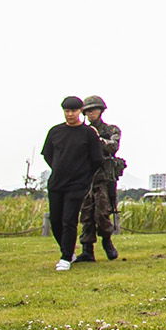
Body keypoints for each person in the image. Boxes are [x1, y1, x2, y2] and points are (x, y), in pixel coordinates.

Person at [40, 95, 108, 271]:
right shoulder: (55, 131)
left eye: (73, 111)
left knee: (69, 220)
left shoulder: (88, 134)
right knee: (55, 220)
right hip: (56, 182)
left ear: (80, 112)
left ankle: (65, 258)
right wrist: (59, 168)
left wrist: (84, 178)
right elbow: (48, 155)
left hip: (77, 185)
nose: (70, 114)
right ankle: (68, 251)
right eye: (67, 111)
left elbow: (96, 160)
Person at [75, 94, 122, 262]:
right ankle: (87, 249)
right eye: (87, 111)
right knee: (86, 214)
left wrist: (97, 139)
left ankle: (107, 241)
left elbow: (113, 147)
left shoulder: (111, 130)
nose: (90, 114)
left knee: (102, 212)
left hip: (104, 176)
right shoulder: (81, 131)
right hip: (86, 177)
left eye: (93, 110)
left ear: (101, 111)